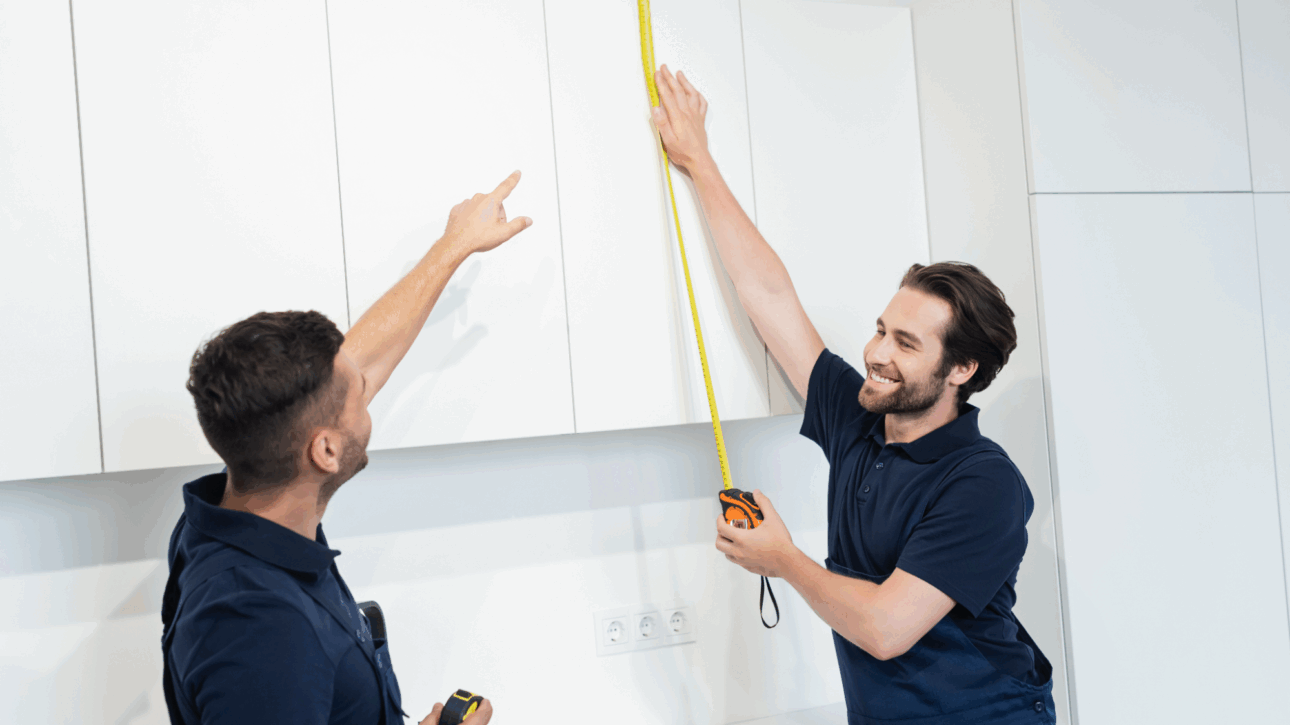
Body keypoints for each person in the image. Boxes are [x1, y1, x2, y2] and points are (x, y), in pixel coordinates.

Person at [650, 65, 1056, 724]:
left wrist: (783, 559)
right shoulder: (863, 417)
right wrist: (698, 160)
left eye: (906, 344)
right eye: (879, 329)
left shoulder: (983, 484)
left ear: (961, 370)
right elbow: (771, 298)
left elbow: (885, 627)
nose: (877, 354)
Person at [161, 172, 532, 725]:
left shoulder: (241, 498)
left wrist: (453, 247)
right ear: (325, 452)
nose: (368, 391)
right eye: (359, 395)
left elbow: (362, 360)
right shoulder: (260, 629)